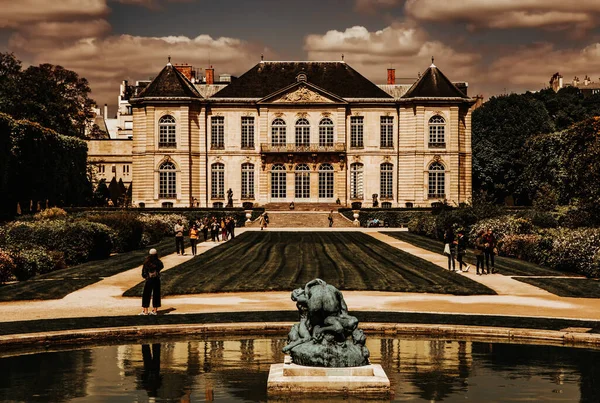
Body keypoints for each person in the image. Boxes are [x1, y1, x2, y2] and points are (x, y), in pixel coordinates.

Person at [140, 248, 164, 315]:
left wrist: (146, 277)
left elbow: (143, 272)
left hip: (149, 280)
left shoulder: (146, 262)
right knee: (156, 294)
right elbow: (162, 266)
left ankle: (145, 310)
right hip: (156, 279)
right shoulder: (158, 262)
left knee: (146, 294)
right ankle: (155, 310)